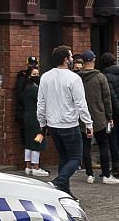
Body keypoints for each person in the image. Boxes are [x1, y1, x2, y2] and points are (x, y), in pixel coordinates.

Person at [36, 46, 91, 193]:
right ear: (66, 59)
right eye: (71, 57)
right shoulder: (74, 78)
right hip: (69, 125)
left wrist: (42, 124)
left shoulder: (45, 77)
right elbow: (81, 103)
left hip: (52, 125)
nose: (73, 59)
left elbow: (41, 102)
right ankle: (58, 182)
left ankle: (63, 192)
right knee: (76, 159)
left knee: (63, 158)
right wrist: (88, 123)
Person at [79, 51, 119, 185]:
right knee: (103, 145)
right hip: (99, 117)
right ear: (94, 60)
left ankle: (89, 174)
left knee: (85, 146)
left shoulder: (77, 77)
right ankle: (106, 175)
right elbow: (106, 98)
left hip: (82, 117)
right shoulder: (100, 77)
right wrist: (109, 116)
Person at [12, 56, 47, 177]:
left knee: (28, 142)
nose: (37, 75)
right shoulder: (34, 89)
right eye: (35, 73)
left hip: (27, 115)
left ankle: (28, 166)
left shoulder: (25, 87)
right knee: (37, 141)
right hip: (35, 116)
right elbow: (42, 102)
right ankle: (36, 166)